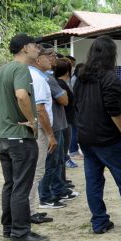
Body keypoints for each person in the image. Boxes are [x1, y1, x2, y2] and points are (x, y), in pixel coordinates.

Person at [75, 37, 121, 234]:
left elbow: (76, 105)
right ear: (112, 54)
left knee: (93, 181)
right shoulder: (110, 77)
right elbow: (115, 111)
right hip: (109, 139)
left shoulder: (81, 76)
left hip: (86, 138)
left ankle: (99, 222)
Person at [0, 34, 47, 241]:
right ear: (25, 48)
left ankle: (9, 228)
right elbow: (22, 95)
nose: (38, 50)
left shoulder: (2, 70)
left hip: (1, 136)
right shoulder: (20, 69)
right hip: (19, 137)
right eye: (35, 46)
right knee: (21, 186)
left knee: (10, 184)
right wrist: (33, 120)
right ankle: (20, 232)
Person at [39, 48, 76, 209]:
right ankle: (46, 196)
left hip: (59, 124)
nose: (54, 57)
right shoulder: (46, 79)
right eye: (51, 55)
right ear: (40, 58)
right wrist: (62, 94)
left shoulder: (50, 78)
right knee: (50, 163)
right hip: (51, 126)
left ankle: (58, 190)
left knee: (59, 160)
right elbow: (64, 99)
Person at [29, 46, 60, 219]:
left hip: (37, 129)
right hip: (40, 130)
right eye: (48, 56)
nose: (51, 59)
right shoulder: (39, 79)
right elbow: (40, 110)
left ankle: (28, 209)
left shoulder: (36, 76)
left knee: (34, 171)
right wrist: (50, 135)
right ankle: (30, 211)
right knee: (37, 171)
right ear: (38, 59)